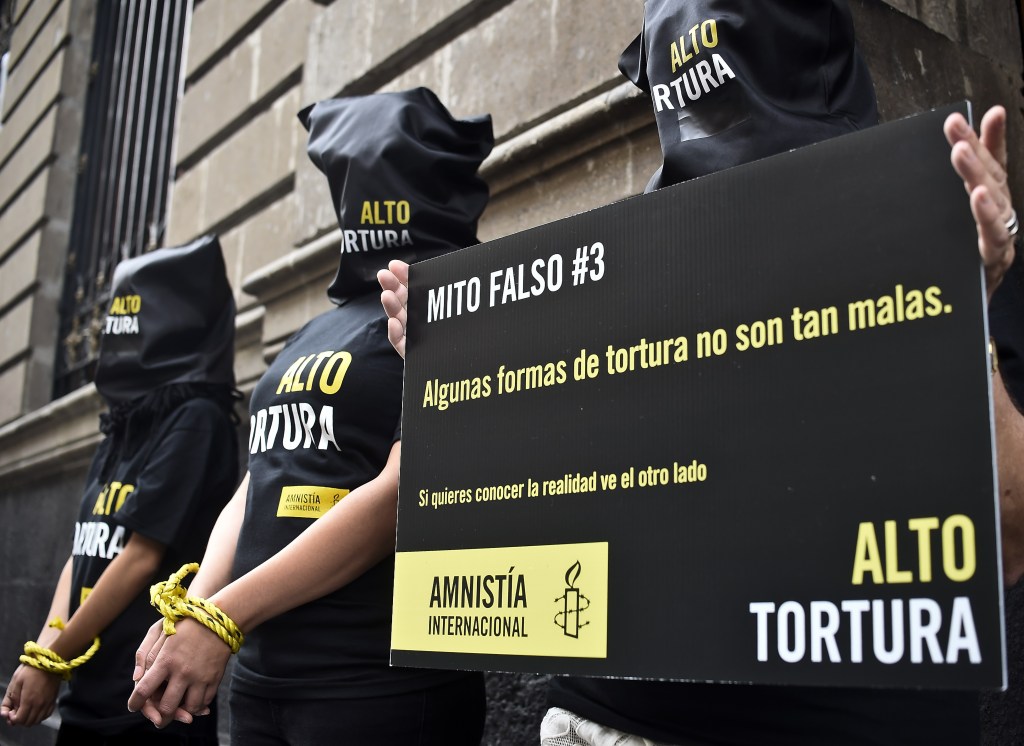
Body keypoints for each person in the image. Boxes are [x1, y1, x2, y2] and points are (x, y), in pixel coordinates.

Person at [379, 3, 1024, 744]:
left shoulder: (932, 230)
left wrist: (960, 309)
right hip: (605, 720)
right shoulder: (620, 280)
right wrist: (456, 387)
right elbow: (531, 511)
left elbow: (1006, 540)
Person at [127, 88, 495, 745]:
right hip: (260, 683)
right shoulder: (311, 332)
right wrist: (197, 613)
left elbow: (404, 488)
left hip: (375, 688)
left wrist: (222, 619)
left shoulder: (452, 310)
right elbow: (257, 482)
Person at [1, 235, 240, 745]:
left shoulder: (196, 419)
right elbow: (81, 551)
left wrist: (55, 659)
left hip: (143, 707)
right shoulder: (123, 425)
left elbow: (139, 557)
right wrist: (44, 656)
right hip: (84, 698)